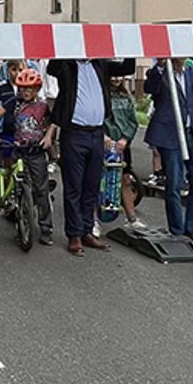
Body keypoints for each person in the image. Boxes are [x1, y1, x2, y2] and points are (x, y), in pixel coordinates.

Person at [46, 54, 136, 256]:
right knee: (74, 187)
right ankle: (74, 234)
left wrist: (130, 47)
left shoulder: (100, 64)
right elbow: (52, 68)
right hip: (74, 133)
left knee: (92, 186)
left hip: (96, 133)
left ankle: (87, 230)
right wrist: (63, 47)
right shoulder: (67, 65)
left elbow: (125, 68)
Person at [144, 58, 193, 250]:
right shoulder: (160, 73)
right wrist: (159, 66)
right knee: (174, 184)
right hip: (171, 135)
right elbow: (150, 88)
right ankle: (176, 230)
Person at [0, 68, 56, 245]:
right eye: (22, 88)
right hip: (18, 149)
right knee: (14, 182)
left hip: (36, 151)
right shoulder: (14, 102)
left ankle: (46, 228)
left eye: (30, 88)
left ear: (37, 88)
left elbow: (54, 122)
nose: (26, 92)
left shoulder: (43, 105)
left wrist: (48, 137)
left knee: (41, 190)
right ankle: (15, 207)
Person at [103, 75, 146, 228]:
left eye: (119, 76)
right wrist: (104, 136)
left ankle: (132, 218)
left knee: (125, 180)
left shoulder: (125, 97)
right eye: (112, 75)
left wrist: (125, 139)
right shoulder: (102, 94)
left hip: (122, 145)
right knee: (98, 181)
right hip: (105, 143)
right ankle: (93, 219)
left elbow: (133, 121)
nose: (115, 79)